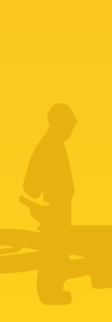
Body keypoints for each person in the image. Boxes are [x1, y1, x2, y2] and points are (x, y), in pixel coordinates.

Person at [20, 103, 77, 304]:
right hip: (55, 210)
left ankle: (54, 291)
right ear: (59, 123)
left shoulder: (54, 144)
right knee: (52, 252)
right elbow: (30, 187)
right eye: (70, 125)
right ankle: (49, 294)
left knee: (58, 252)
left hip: (60, 209)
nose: (71, 130)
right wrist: (45, 206)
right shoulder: (48, 146)